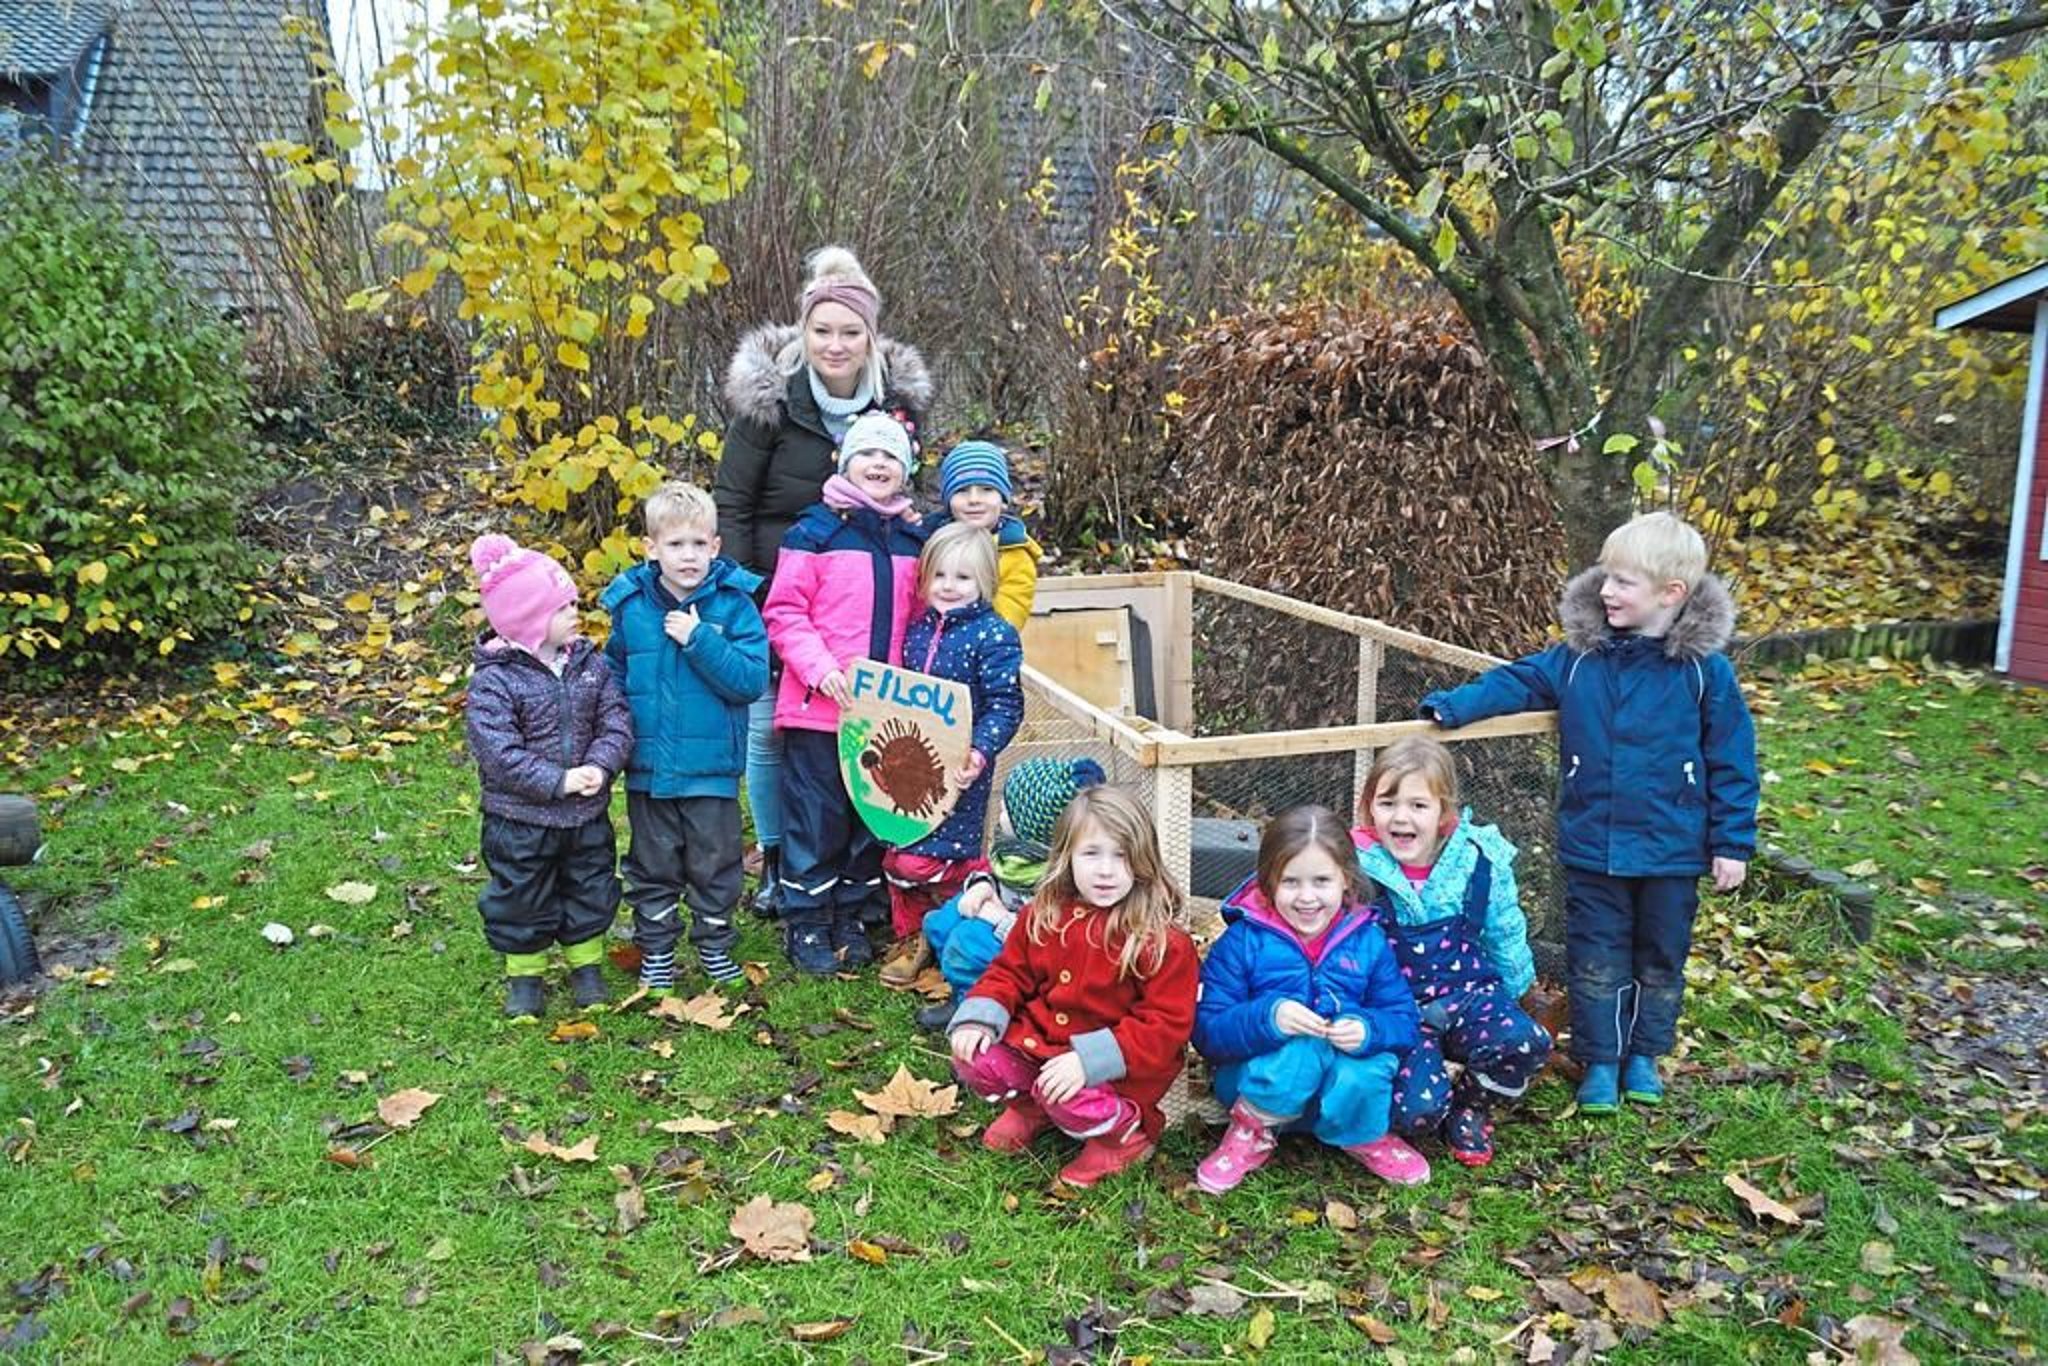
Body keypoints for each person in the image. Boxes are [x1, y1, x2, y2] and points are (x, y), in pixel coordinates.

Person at [1420, 511, 1758, 1113]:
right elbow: (1517, 681)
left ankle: (1645, 1055)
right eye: (1606, 576)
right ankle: (1599, 1062)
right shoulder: (1580, 657)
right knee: (1596, 955)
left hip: (1672, 849)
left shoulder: (1705, 672)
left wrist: (1731, 842)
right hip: (1593, 844)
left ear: (1670, 594)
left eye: (1624, 582)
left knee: (1660, 955)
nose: (1606, 590)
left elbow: (1732, 757)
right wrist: (1454, 707)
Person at [715, 247, 933, 922]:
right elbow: (733, 502)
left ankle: (859, 861)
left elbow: (909, 495)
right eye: (822, 331)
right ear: (803, 333)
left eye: (850, 332)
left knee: (859, 726)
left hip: (863, 600)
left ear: (871, 337)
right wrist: (754, 598)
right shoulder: (770, 404)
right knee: (771, 730)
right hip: (779, 591)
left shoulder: (896, 409)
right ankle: (781, 859)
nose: (835, 345)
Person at [948, 786, 1199, 1188]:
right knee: (976, 1059)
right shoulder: (1042, 914)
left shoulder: (1162, 942)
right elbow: (1009, 973)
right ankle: (1032, 1107)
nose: (1105, 870)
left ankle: (1122, 1137)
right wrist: (979, 1017)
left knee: (1065, 1093)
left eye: (1121, 855)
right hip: (1040, 1047)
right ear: (1066, 856)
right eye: (1091, 854)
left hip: (1115, 1077)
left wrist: (1088, 1061)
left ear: (1143, 861)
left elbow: (1164, 1027)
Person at [761, 411, 928, 974]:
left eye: (890, 456)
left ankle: (851, 914)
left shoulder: (913, 539)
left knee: (869, 816)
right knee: (816, 817)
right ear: (845, 461)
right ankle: (807, 919)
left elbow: (924, 618)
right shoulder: (814, 532)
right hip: (821, 711)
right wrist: (818, 668)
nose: (878, 464)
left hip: (887, 715)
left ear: (905, 469)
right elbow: (785, 612)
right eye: (868, 454)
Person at [1192, 806, 1423, 1194]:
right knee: (1300, 1050)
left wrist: (1367, 1030)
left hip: (1335, 1093)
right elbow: (1208, 1031)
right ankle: (1250, 1133)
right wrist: (1269, 1017)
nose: (1307, 897)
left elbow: (1403, 1020)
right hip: (1255, 1088)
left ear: (1346, 880)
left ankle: (1362, 1135)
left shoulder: (1367, 939)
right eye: (1291, 882)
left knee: (1369, 1066)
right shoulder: (1242, 942)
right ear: (1268, 883)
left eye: (1321, 881)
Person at [600, 482, 769, 993]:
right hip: (648, 765)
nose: (688, 556)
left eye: (699, 544)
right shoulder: (631, 605)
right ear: (651, 548)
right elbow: (612, 672)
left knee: (715, 863)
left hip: (711, 768)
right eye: (676, 545)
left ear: (716, 546)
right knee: (651, 863)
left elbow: (750, 680)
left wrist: (699, 641)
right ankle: (657, 950)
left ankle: (715, 945)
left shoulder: (735, 606)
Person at [1352, 737, 1550, 1168]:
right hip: (1398, 1007)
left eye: (1418, 806)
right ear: (1370, 808)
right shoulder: (1355, 863)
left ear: (1444, 812)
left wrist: (1519, 989)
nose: (1401, 817)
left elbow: (1504, 929)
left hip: (1468, 994)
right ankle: (1432, 1097)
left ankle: (1471, 1106)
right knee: (1415, 1114)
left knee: (1526, 1042)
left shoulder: (1477, 860)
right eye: (1388, 803)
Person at [464, 533, 633, 1020]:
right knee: (521, 895)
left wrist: (601, 765)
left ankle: (586, 969)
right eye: (563, 608)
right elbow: (497, 752)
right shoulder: (496, 680)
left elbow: (616, 720)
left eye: (574, 603)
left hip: (583, 815)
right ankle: (525, 977)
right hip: (520, 819)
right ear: (529, 620)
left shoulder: (589, 665)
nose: (575, 614)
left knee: (590, 885)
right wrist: (556, 780)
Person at [876, 524, 1026, 991]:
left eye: (962, 577)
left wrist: (980, 751)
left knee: (944, 858)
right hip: (908, 765)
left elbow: (1006, 703)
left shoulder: (994, 635)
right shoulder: (916, 629)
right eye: (938, 574)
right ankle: (910, 936)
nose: (948, 585)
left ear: (984, 581)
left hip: (961, 772)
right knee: (901, 849)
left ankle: (950, 932)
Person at [913, 757, 1107, 1031]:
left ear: (1032, 825)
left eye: (1008, 809)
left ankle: (974, 1005)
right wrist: (983, 885)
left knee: (966, 942)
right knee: (943, 921)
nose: (1001, 810)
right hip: (998, 910)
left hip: (1023, 942)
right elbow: (994, 873)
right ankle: (950, 968)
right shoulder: (1018, 852)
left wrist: (999, 918)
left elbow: (1050, 939)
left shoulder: (1063, 880)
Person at [928, 438, 1041, 630]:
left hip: (983, 649)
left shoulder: (1014, 552)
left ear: (1003, 499)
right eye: (962, 490)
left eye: (987, 490)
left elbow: (1009, 617)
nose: (974, 500)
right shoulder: (930, 541)